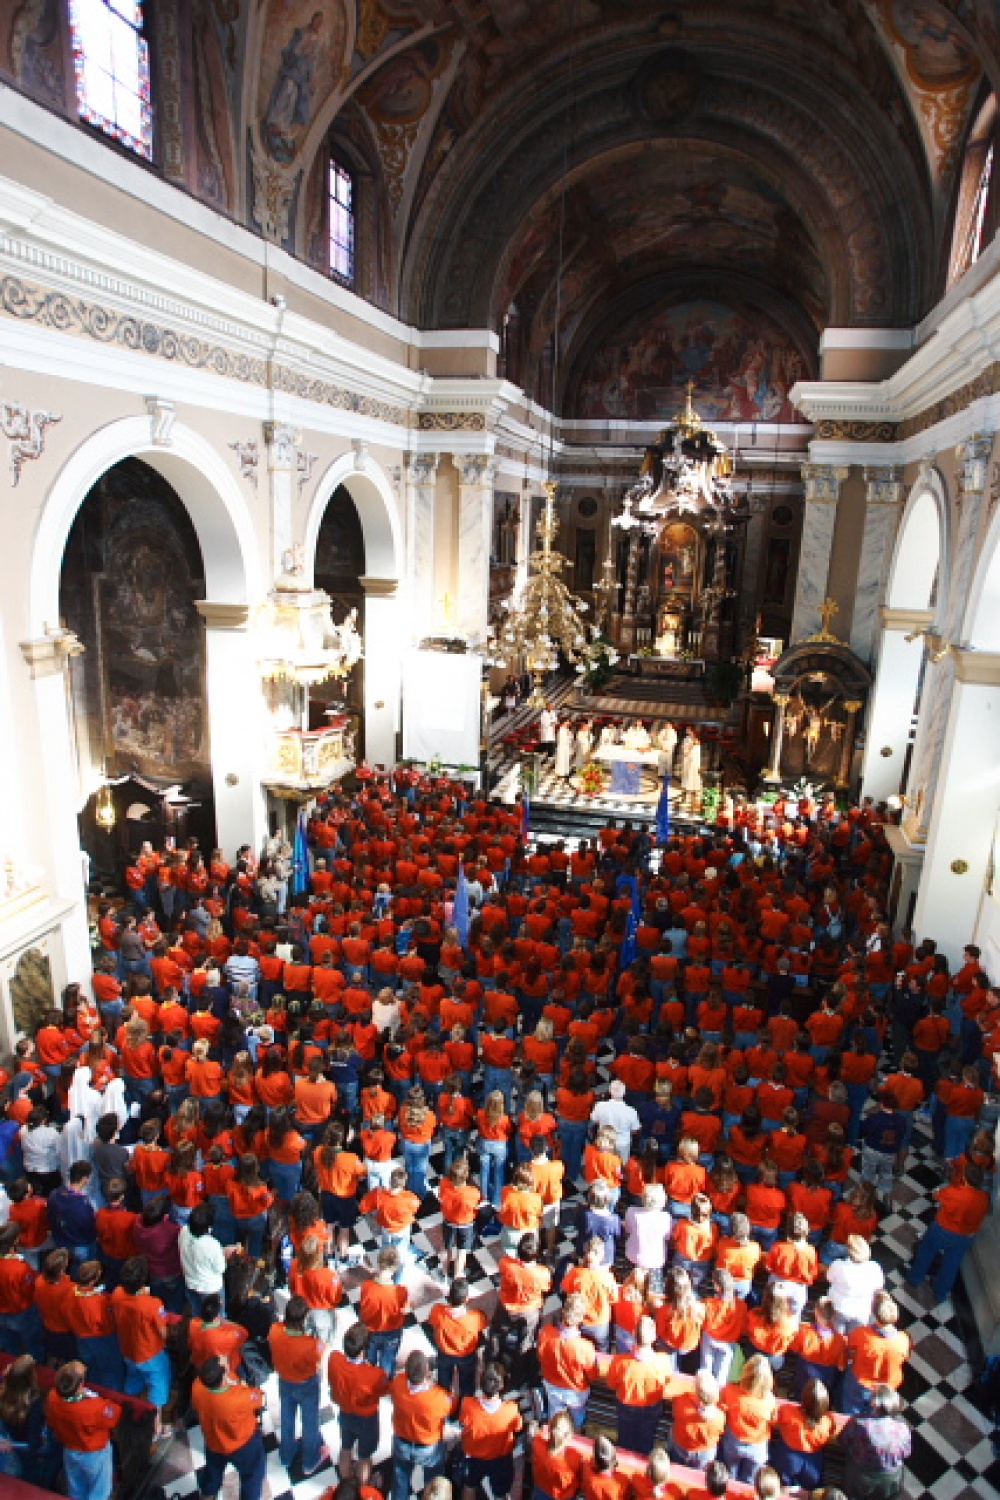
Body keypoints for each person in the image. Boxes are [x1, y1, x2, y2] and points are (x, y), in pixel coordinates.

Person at [906, 1160, 990, 1301]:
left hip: (943, 1229)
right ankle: (940, 1292)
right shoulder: (984, 1198)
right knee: (952, 1263)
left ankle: (915, 1278)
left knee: (926, 1250)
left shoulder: (953, 1192)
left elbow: (936, 1196)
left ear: (964, 1178)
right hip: (965, 1236)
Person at [268, 1294, 329, 1476]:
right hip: (306, 1385)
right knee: (310, 1423)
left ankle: (286, 1455)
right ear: (304, 1319)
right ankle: (310, 1461)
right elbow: (320, 1359)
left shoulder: (274, 1330)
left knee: (287, 1418)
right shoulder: (313, 1345)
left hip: (285, 1382)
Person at [110, 1254, 171, 1436]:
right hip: (151, 1354)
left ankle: (131, 1416)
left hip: (128, 1350)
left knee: (133, 1383)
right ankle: (155, 1429)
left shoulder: (117, 1294)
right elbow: (163, 1332)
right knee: (158, 1390)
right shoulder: (152, 1304)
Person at [43, 1360, 121, 1500]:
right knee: (100, 1492)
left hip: (70, 1449)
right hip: (93, 1454)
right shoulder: (92, 1407)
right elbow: (114, 1415)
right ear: (79, 1385)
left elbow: (50, 1421)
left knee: (76, 1489)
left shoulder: (53, 1397)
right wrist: (94, 1397)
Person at [192, 1354, 266, 1500]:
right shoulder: (238, 1398)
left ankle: (207, 1495)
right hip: (243, 1445)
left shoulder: (197, 1386)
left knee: (213, 1471)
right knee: (252, 1477)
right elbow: (260, 1399)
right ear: (224, 1376)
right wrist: (241, 1385)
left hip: (214, 1441)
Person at [327, 1322, 390, 1487]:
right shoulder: (375, 1374)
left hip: (345, 1413)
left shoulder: (334, 1359)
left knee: (345, 1447)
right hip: (366, 1420)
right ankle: (363, 1490)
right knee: (364, 1456)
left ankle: (346, 1486)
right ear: (363, 1351)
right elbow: (384, 1391)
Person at [390, 1349, 454, 1500]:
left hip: (402, 1442)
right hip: (428, 1448)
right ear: (427, 1372)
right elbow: (451, 1406)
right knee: (433, 1485)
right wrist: (432, 1385)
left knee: (400, 1482)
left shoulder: (398, 1383)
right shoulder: (439, 1397)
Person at [457, 1361, 522, 1500]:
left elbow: (463, 1422)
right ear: (502, 1385)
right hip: (501, 1460)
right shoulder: (511, 1409)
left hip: (473, 1458)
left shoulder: (467, 1404)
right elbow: (518, 1427)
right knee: (500, 1494)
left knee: (469, 1486)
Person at [840, 1385, 912, 1499]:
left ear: (875, 1404)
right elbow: (906, 1452)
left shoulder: (860, 1423)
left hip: (861, 1474)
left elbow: (844, 1440)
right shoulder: (903, 1429)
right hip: (889, 1479)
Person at [0, 1354, 58, 1490]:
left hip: (11, 1440)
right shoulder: (35, 1403)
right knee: (53, 1455)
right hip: (24, 1446)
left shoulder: (3, 1392)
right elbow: (34, 1441)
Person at [179, 1202, 228, 1318]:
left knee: (196, 1315)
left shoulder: (183, 1232)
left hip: (190, 1283)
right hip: (210, 1289)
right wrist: (224, 1254)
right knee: (217, 1318)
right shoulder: (212, 1245)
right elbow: (221, 1268)